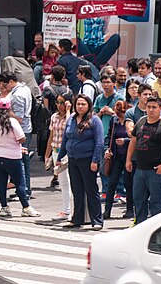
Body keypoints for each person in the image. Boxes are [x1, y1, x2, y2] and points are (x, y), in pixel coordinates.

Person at [0, 98, 40, 218]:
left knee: (2, 181)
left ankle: (4, 208)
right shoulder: (13, 122)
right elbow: (22, 139)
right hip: (12, 156)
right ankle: (26, 207)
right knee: (19, 182)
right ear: (9, 109)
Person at [126, 96, 161, 223]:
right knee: (138, 200)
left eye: (154, 107)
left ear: (160, 108)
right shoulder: (141, 122)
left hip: (156, 171)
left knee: (157, 203)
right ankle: (140, 225)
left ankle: (156, 227)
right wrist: (128, 160)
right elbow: (133, 141)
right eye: (149, 107)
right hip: (140, 169)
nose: (151, 110)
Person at [57, 94, 104, 230]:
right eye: (78, 104)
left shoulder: (94, 120)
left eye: (83, 104)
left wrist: (95, 160)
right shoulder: (71, 119)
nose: (80, 106)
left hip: (87, 159)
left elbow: (99, 142)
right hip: (73, 159)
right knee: (76, 190)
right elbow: (65, 139)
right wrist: (60, 157)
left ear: (89, 105)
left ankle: (97, 220)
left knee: (91, 189)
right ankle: (77, 219)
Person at [76, 0, 122, 69]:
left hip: (100, 47)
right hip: (86, 47)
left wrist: (106, 22)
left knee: (116, 38)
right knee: (77, 40)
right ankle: (96, 64)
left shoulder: (104, 1)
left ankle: (93, 64)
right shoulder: (83, 0)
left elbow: (104, 32)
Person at [0, 70, 33, 197]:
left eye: (5, 85)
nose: (4, 88)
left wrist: (6, 110)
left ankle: (24, 191)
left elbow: (19, 118)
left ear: (11, 82)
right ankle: (24, 189)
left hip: (20, 131)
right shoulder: (25, 88)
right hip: (25, 129)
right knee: (23, 161)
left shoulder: (17, 95)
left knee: (21, 163)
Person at [103, 100, 133, 220]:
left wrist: (125, 141)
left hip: (128, 156)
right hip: (116, 156)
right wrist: (107, 149)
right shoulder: (114, 120)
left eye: (119, 110)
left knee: (128, 183)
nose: (117, 112)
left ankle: (130, 209)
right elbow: (109, 136)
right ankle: (107, 210)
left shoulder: (130, 120)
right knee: (112, 183)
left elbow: (135, 138)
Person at [46, 95, 72, 221]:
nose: (59, 105)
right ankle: (66, 210)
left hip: (67, 152)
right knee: (63, 182)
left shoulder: (71, 117)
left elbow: (69, 128)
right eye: (58, 102)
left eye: (62, 103)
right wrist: (47, 154)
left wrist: (68, 111)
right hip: (56, 151)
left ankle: (69, 210)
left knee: (68, 181)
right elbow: (51, 135)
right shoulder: (54, 117)